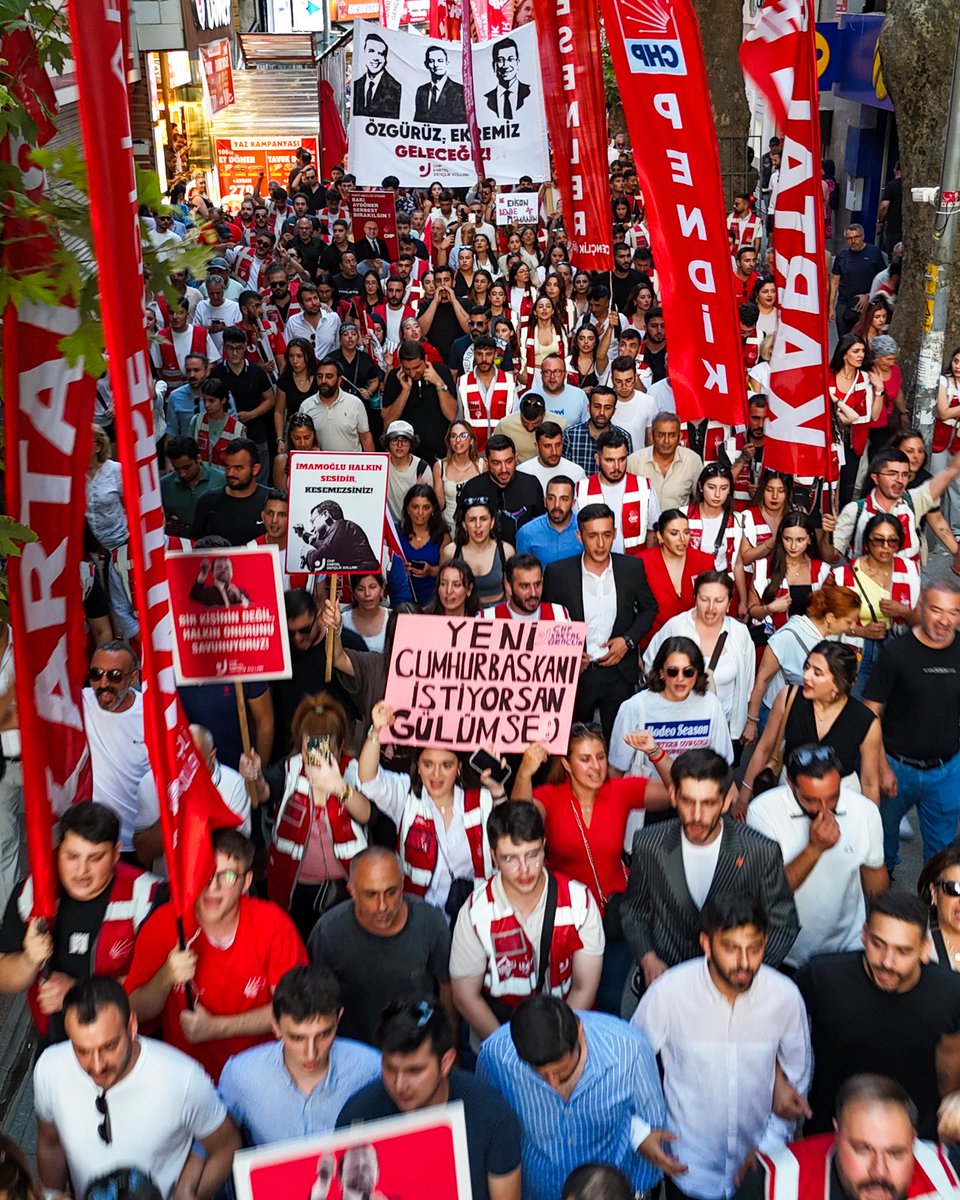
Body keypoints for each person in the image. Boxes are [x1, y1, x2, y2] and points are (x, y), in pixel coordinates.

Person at [632, 893, 812, 1200]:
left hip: (759, 1169)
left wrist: (769, 1146)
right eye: (730, 948)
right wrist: (639, 1134)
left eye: (754, 948)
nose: (744, 962)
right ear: (706, 943)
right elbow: (627, 1066)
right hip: (687, 1169)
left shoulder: (785, 997)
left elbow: (797, 1078)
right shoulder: (668, 994)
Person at [125, 828, 307, 1082]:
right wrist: (165, 977)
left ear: (246, 882)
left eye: (228, 875)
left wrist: (215, 1028)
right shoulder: (164, 923)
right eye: (205, 872)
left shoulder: (273, 923)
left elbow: (295, 1010)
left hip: (262, 1074)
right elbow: (134, 1009)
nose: (213, 886)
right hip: (188, 1079)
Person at [34, 977, 239, 1200]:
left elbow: (227, 1145)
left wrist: (189, 1195)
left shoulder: (183, 1078)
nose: (97, 1065)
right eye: (82, 1051)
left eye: (109, 1046)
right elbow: (51, 1143)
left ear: (132, 1026)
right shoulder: (49, 1069)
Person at [621, 749, 799, 1000]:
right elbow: (634, 910)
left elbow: (783, 923)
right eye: (688, 801)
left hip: (737, 994)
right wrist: (648, 958)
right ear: (673, 796)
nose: (696, 816)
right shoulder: (649, 844)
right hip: (669, 988)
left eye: (708, 803)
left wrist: (745, 971)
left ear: (726, 802)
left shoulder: (760, 851)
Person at [796, 891, 960, 1140]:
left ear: (924, 949)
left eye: (903, 951)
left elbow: (951, 1063)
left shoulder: (950, 993)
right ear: (864, 934)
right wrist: (780, 1082)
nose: (887, 962)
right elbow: (772, 1017)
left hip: (917, 1139)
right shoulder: (822, 977)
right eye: (877, 944)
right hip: (830, 1134)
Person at [476, 995, 667, 1200]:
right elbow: (489, 1134)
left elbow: (653, 1127)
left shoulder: (630, 1051)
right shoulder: (495, 1057)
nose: (553, 1082)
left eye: (561, 1070)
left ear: (579, 1032)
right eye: (540, 1073)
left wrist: (636, 1192)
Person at [0, 803, 159, 1047]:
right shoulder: (32, 893)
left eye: (95, 858)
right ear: (58, 850)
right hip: (55, 1041)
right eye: (72, 856)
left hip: (125, 1043)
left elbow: (157, 989)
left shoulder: (147, 896)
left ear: (116, 853)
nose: (82, 870)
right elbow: (4, 976)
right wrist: (28, 961)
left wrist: (78, 991)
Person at [337, 999, 522, 1200]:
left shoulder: (490, 1114)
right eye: (390, 1068)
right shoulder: (357, 1117)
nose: (400, 1085)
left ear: (446, 1062)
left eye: (414, 1071)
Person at [450, 802, 604, 1041]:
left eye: (532, 854)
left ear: (544, 847)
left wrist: (557, 1046)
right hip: (500, 1036)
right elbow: (465, 997)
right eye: (510, 858)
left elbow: (584, 988)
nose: (524, 869)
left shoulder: (579, 902)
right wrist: (508, 1051)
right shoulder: (475, 913)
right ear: (493, 857)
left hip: (565, 1035)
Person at [356, 701, 509, 910]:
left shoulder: (481, 800)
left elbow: (511, 834)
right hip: (417, 913)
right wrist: (376, 730)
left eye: (446, 765)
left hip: (473, 912)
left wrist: (498, 790)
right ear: (418, 767)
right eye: (428, 764)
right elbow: (368, 780)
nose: (436, 774)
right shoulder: (406, 796)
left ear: (459, 768)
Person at [746, 745, 887, 970]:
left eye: (832, 798)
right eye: (811, 800)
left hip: (847, 947)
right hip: (785, 951)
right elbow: (768, 892)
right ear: (790, 785)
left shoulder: (865, 811)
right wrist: (814, 849)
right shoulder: (762, 812)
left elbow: (875, 878)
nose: (824, 809)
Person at [218, 964, 380, 1145]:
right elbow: (219, 1145)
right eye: (297, 1038)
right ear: (276, 1026)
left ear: (338, 1018)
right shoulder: (240, 1076)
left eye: (324, 1034)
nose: (311, 1053)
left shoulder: (371, 1070)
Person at [307, 848, 453, 1044]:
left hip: (415, 1045)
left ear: (402, 884)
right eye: (371, 894)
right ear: (352, 892)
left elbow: (446, 987)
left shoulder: (430, 921)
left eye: (391, 892)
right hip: (354, 1047)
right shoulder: (328, 933)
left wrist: (447, 1042)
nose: (382, 906)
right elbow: (316, 998)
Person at [733, 1074, 960, 1200]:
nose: (879, 1171)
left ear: (913, 1141)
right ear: (837, 1134)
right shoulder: (773, 1186)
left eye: (895, 1153)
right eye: (862, 1150)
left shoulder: (949, 1172)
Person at [863, 579, 960, 872]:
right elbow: (870, 713)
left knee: (941, 857)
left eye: (953, 612)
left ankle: (933, 900)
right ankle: (883, 896)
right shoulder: (896, 653)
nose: (944, 620)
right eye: (936, 610)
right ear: (921, 608)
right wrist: (881, 767)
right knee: (881, 847)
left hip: (947, 770)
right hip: (896, 768)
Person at [542, 503, 657, 743]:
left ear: (615, 533)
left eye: (606, 535)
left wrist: (627, 641)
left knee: (622, 745)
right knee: (572, 745)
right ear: (579, 536)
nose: (601, 543)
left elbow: (649, 609)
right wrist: (568, 653)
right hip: (577, 676)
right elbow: (547, 621)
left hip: (619, 674)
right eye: (593, 535)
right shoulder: (558, 573)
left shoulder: (631, 567)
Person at [740, 642, 881, 811]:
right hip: (790, 796)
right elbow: (764, 749)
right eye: (807, 667)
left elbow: (870, 782)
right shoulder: (788, 697)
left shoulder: (865, 720)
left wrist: (872, 821)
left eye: (817, 673)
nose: (806, 676)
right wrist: (744, 796)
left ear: (838, 683)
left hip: (842, 802)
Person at [645, 571, 756, 743]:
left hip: (724, 729)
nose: (711, 607)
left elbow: (748, 681)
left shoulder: (739, 633)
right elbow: (650, 664)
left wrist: (750, 720)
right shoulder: (676, 627)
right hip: (677, 729)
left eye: (719, 601)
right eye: (704, 599)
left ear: (729, 604)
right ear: (695, 599)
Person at [743, 584, 861, 744]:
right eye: (849, 621)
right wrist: (752, 722)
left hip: (805, 720)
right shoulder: (789, 635)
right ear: (830, 618)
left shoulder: (833, 638)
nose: (853, 627)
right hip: (777, 718)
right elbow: (762, 678)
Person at [609, 638, 733, 788]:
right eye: (672, 671)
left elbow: (722, 764)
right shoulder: (634, 707)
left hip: (697, 795)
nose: (680, 678)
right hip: (647, 798)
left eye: (688, 672)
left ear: (697, 673)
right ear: (661, 672)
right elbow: (616, 768)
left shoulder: (711, 705)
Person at [135, 724, 251, 875]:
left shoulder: (234, 785)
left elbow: (234, 854)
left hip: (214, 882)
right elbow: (144, 854)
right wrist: (175, 810)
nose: (185, 768)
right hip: (167, 883)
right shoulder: (151, 782)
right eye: (179, 758)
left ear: (212, 757)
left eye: (193, 761)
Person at [831, 512, 921, 698]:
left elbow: (922, 623)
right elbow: (829, 622)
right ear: (867, 541)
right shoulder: (844, 575)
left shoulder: (910, 571)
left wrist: (904, 612)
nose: (885, 547)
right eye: (879, 540)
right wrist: (861, 631)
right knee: (856, 702)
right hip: (858, 651)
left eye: (892, 541)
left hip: (897, 648)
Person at [828, 447, 960, 566]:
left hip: (908, 585)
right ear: (875, 478)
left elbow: (950, 471)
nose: (899, 480)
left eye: (905, 475)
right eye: (892, 474)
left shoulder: (914, 501)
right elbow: (830, 555)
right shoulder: (855, 510)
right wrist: (825, 534)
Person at [81, 641, 151, 853]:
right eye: (96, 674)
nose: (103, 683)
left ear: (133, 678)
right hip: (92, 840)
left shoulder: (152, 713)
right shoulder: (80, 702)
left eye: (115, 676)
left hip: (136, 842)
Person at [745, 511, 831, 641]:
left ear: (809, 539)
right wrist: (769, 608)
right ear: (781, 538)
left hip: (811, 642)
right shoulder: (764, 567)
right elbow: (752, 609)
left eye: (800, 540)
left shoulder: (822, 571)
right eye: (788, 539)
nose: (793, 546)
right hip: (772, 641)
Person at [636, 510, 715, 651]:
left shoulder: (704, 561)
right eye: (674, 533)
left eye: (686, 532)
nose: (682, 539)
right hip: (652, 647)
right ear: (660, 536)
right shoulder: (642, 562)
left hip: (695, 646)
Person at [577, 429, 659, 556]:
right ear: (597, 459)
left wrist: (646, 563)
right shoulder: (581, 490)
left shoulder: (644, 487)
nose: (616, 467)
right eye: (609, 460)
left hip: (634, 563)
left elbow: (653, 532)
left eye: (621, 459)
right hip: (595, 564)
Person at [458, 435, 545, 545]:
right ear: (487, 463)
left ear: (516, 458)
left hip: (524, 553)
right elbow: (461, 530)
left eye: (509, 461)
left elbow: (541, 525)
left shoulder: (531, 484)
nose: (504, 469)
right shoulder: (472, 489)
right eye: (496, 463)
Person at [381, 339, 458, 463]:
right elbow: (388, 421)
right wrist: (405, 391)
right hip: (407, 456)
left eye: (416, 367)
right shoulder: (394, 377)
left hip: (439, 453)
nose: (412, 373)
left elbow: (452, 415)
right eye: (407, 369)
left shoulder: (442, 372)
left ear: (425, 359)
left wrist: (439, 383)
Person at [191, 438, 270, 545]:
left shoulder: (270, 501)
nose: (230, 473)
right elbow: (195, 545)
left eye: (238, 468)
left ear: (255, 469)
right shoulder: (208, 501)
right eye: (228, 467)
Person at [442, 497, 515, 606]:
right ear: (464, 524)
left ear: (492, 522)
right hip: (463, 611)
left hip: (497, 611)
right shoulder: (450, 553)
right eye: (472, 520)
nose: (478, 525)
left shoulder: (506, 551)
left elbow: (511, 591)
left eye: (483, 519)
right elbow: (443, 591)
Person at [629, 412, 703, 511]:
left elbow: (700, 499)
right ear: (652, 436)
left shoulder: (692, 461)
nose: (666, 441)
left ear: (680, 436)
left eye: (672, 435)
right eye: (660, 435)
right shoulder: (633, 462)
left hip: (679, 520)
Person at [299, 359, 375, 454]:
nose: (323, 381)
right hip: (320, 462)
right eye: (320, 376)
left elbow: (365, 437)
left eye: (329, 376)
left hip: (351, 462)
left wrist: (371, 461)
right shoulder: (306, 406)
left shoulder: (355, 404)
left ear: (339, 380)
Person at [396, 483, 450, 607]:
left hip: (433, 600)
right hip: (402, 599)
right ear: (407, 509)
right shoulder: (396, 534)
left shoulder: (443, 537)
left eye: (426, 507)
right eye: (415, 507)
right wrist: (399, 568)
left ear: (433, 509)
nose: (420, 513)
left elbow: (448, 571)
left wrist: (430, 571)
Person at [829, 225, 887, 339]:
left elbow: (883, 279)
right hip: (845, 303)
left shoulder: (874, 252)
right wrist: (830, 306)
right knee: (845, 340)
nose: (853, 241)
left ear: (863, 236)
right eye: (849, 238)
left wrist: (869, 295)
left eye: (856, 237)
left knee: (864, 338)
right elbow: (835, 281)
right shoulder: (842, 255)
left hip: (867, 304)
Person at [161, 437, 226, 538]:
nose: (182, 474)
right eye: (177, 469)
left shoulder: (222, 480)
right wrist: (167, 527)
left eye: (187, 467)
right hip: (182, 543)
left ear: (198, 458)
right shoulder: (164, 485)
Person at [294, 499, 381, 573]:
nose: (312, 528)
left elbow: (322, 556)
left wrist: (308, 553)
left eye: (313, 521)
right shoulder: (343, 530)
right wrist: (303, 534)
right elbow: (321, 545)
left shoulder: (340, 525)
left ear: (325, 515)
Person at [562, 387, 633, 476]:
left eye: (607, 408)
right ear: (588, 407)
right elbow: (564, 472)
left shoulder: (624, 437)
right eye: (597, 406)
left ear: (614, 411)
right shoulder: (570, 435)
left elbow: (626, 473)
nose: (602, 413)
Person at [515, 477, 582, 567]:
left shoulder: (584, 528)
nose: (557, 505)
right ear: (545, 501)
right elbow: (522, 571)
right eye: (551, 498)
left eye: (564, 499)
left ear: (573, 503)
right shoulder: (526, 533)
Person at [518, 422, 587, 491]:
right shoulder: (523, 471)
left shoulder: (577, 472)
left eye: (558, 445)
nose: (554, 452)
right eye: (547, 446)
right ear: (537, 446)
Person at [353, 32, 402, 117]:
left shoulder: (395, 87)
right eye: (371, 51)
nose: (375, 58)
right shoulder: (357, 84)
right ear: (364, 53)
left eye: (381, 53)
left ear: (385, 59)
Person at [485, 37, 531, 117]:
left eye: (510, 59)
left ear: (518, 62)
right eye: (500, 60)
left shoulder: (530, 93)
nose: (505, 65)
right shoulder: (485, 99)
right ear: (494, 65)